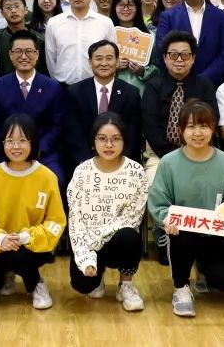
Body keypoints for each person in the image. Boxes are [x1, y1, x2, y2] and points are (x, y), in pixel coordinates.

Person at [148, 102, 224, 317]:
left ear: (213, 128)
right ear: (180, 130)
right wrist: (167, 220)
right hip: (181, 233)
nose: (197, 133)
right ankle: (181, 287)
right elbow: (159, 203)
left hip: (215, 232)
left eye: (203, 126)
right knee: (181, 234)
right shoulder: (169, 163)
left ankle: (203, 270)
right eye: (191, 126)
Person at [0, 114, 67, 310]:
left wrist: (26, 237)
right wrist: (0, 238)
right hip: (0, 244)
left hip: (31, 246)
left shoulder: (47, 177)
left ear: (33, 142)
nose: (16, 146)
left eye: (22, 140)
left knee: (19, 256)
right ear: (2, 143)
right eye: (10, 141)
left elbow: (56, 221)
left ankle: (36, 283)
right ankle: (7, 272)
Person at [67, 113, 148, 312]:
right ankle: (98, 276)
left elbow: (132, 219)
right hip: (88, 243)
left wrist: (95, 238)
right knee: (82, 285)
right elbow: (75, 220)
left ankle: (126, 284)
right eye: (102, 139)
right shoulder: (82, 172)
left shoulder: (136, 172)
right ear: (93, 141)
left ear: (124, 141)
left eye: (115, 139)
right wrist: (86, 257)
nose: (109, 145)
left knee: (130, 236)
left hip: (116, 241)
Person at [0, 31, 65, 184]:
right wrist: (9, 147)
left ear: (37, 54)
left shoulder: (52, 87)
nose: (23, 56)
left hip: (42, 152)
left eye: (29, 51)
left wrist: (38, 149)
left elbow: (56, 125)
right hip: (6, 151)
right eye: (18, 51)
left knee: (56, 180)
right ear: (10, 54)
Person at [142, 31, 219, 178]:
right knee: (153, 181)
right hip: (160, 155)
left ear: (193, 58)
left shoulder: (204, 85)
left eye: (184, 55)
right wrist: (171, 157)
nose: (179, 59)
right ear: (165, 58)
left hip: (199, 151)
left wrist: (191, 153)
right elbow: (150, 126)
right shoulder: (154, 86)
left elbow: (212, 120)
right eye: (173, 55)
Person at [154, 0, 224, 87]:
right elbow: (162, 51)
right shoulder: (168, 16)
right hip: (177, 84)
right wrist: (181, 76)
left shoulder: (221, 16)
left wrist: (204, 79)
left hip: (212, 85)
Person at [65, 41, 142, 167]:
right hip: (84, 161)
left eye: (109, 58)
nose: (104, 63)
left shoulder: (131, 93)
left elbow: (133, 134)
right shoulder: (75, 92)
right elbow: (73, 133)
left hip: (120, 161)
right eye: (99, 58)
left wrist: (120, 162)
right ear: (90, 62)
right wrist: (88, 164)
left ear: (117, 61)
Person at [46, 0, 117, 86]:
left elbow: (112, 57)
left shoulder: (105, 23)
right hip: (63, 87)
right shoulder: (54, 23)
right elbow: (51, 60)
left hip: (95, 86)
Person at [108, 0, 159, 92]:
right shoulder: (107, 34)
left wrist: (143, 71)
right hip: (111, 92)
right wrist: (113, 66)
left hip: (140, 92)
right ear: (114, 7)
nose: (126, 9)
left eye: (130, 5)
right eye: (121, 5)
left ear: (137, 7)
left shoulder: (149, 37)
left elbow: (157, 67)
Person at [0, 0, 47, 77]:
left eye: (17, 6)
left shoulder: (39, 39)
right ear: (2, 13)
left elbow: (43, 70)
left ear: (26, 10)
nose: (13, 11)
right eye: (8, 8)